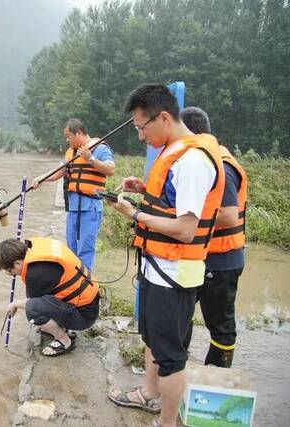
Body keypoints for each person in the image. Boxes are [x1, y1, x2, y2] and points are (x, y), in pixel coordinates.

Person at [106, 84, 225, 427]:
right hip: (159, 270)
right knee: (155, 340)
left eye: (141, 127)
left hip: (175, 274)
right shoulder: (176, 153)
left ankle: (167, 422)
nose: (141, 136)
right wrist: (144, 191)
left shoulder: (190, 161)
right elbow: (174, 206)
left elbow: (186, 229)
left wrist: (134, 214)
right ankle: (149, 394)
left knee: (171, 356)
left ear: (163, 118)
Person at [180, 106, 248, 368]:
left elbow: (230, 216)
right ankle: (176, 367)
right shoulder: (202, 161)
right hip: (198, 255)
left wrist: (185, 217)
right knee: (181, 315)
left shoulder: (222, 166)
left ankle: (216, 377)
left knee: (220, 325)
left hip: (221, 261)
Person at [32, 119, 115, 272]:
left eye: (68, 136)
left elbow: (110, 169)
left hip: (90, 207)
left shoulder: (100, 148)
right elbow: (60, 171)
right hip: (73, 207)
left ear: (78, 133)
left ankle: (85, 285)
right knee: (71, 249)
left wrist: (91, 158)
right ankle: (73, 279)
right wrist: (42, 179)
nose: (67, 139)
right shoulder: (71, 152)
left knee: (86, 248)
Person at [0, 236, 100, 356]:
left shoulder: (36, 272)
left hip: (84, 316)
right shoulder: (35, 247)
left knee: (33, 310)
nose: (12, 274)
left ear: (17, 263)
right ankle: (61, 327)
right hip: (90, 302)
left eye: (10, 270)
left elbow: (33, 303)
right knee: (39, 307)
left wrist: (14, 304)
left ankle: (64, 341)